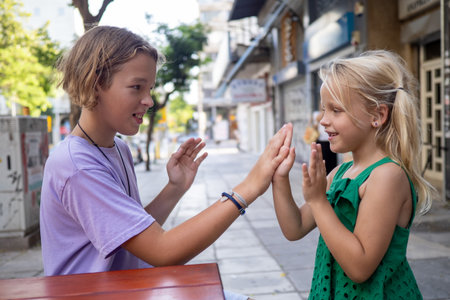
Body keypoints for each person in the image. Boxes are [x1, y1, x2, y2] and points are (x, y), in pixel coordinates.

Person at [40, 26, 293, 300]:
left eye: (149, 88)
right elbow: (161, 251)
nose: (149, 101)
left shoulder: (117, 149)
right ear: (95, 83)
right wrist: (249, 188)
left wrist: (175, 188)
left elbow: (131, 236)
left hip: (128, 289)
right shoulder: (77, 166)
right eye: (136, 87)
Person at [271, 50, 434, 299]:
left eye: (336, 110)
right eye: (323, 109)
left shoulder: (387, 176)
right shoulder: (341, 172)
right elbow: (295, 227)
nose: (323, 121)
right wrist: (280, 178)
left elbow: (360, 267)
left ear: (377, 116)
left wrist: (317, 200)